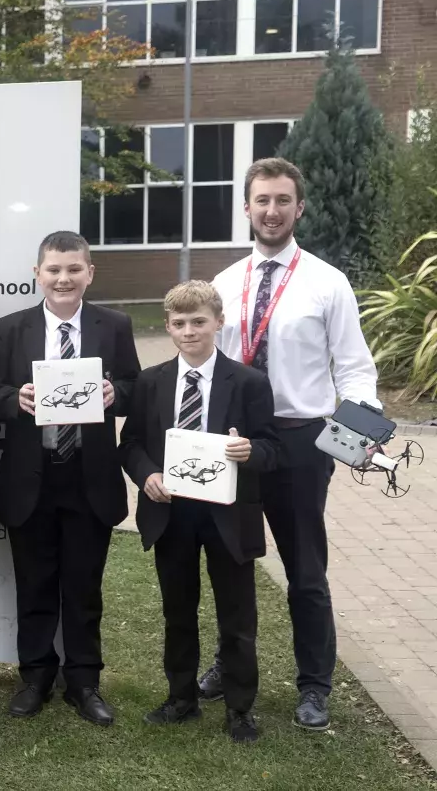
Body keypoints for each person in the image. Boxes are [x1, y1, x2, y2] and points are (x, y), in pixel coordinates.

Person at [200, 157, 381, 731]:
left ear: (299, 208)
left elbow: (355, 368)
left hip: (302, 441)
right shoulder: (225, 284)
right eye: (262, 201)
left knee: (305, 568)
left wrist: (360, 433)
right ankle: (230, 663)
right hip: (234, 440)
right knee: (231, 561)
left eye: (283, 201)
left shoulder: (328, 282)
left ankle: (314, 686)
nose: (272, 211)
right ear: (246, 208)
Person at [0, 230, 140, 725]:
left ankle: (84, 682)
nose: (64, 278)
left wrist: (117, 393)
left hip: (88, 476)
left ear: (89, 273)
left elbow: (137, 383)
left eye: (74, 269)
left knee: (83, 587)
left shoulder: (114, 325)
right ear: (38, 274)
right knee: (33, 584)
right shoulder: (11, 328)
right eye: (54, 269)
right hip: (31, 477)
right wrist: (16, 400)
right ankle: (35, 677)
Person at [118, 280, 280, 744]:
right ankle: (181, 698)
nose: (189, 331)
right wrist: (147, 475)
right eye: (180, 323)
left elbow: (272, 447)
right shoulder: (151, 382)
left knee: (237, 616)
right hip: (173, 515)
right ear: (168, 327)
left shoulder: (249, 382)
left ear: (218, 322)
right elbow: (129, 444)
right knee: (177, 611)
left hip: (229, 515)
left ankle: (240, 708)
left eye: (199, 322)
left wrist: (251, 451)